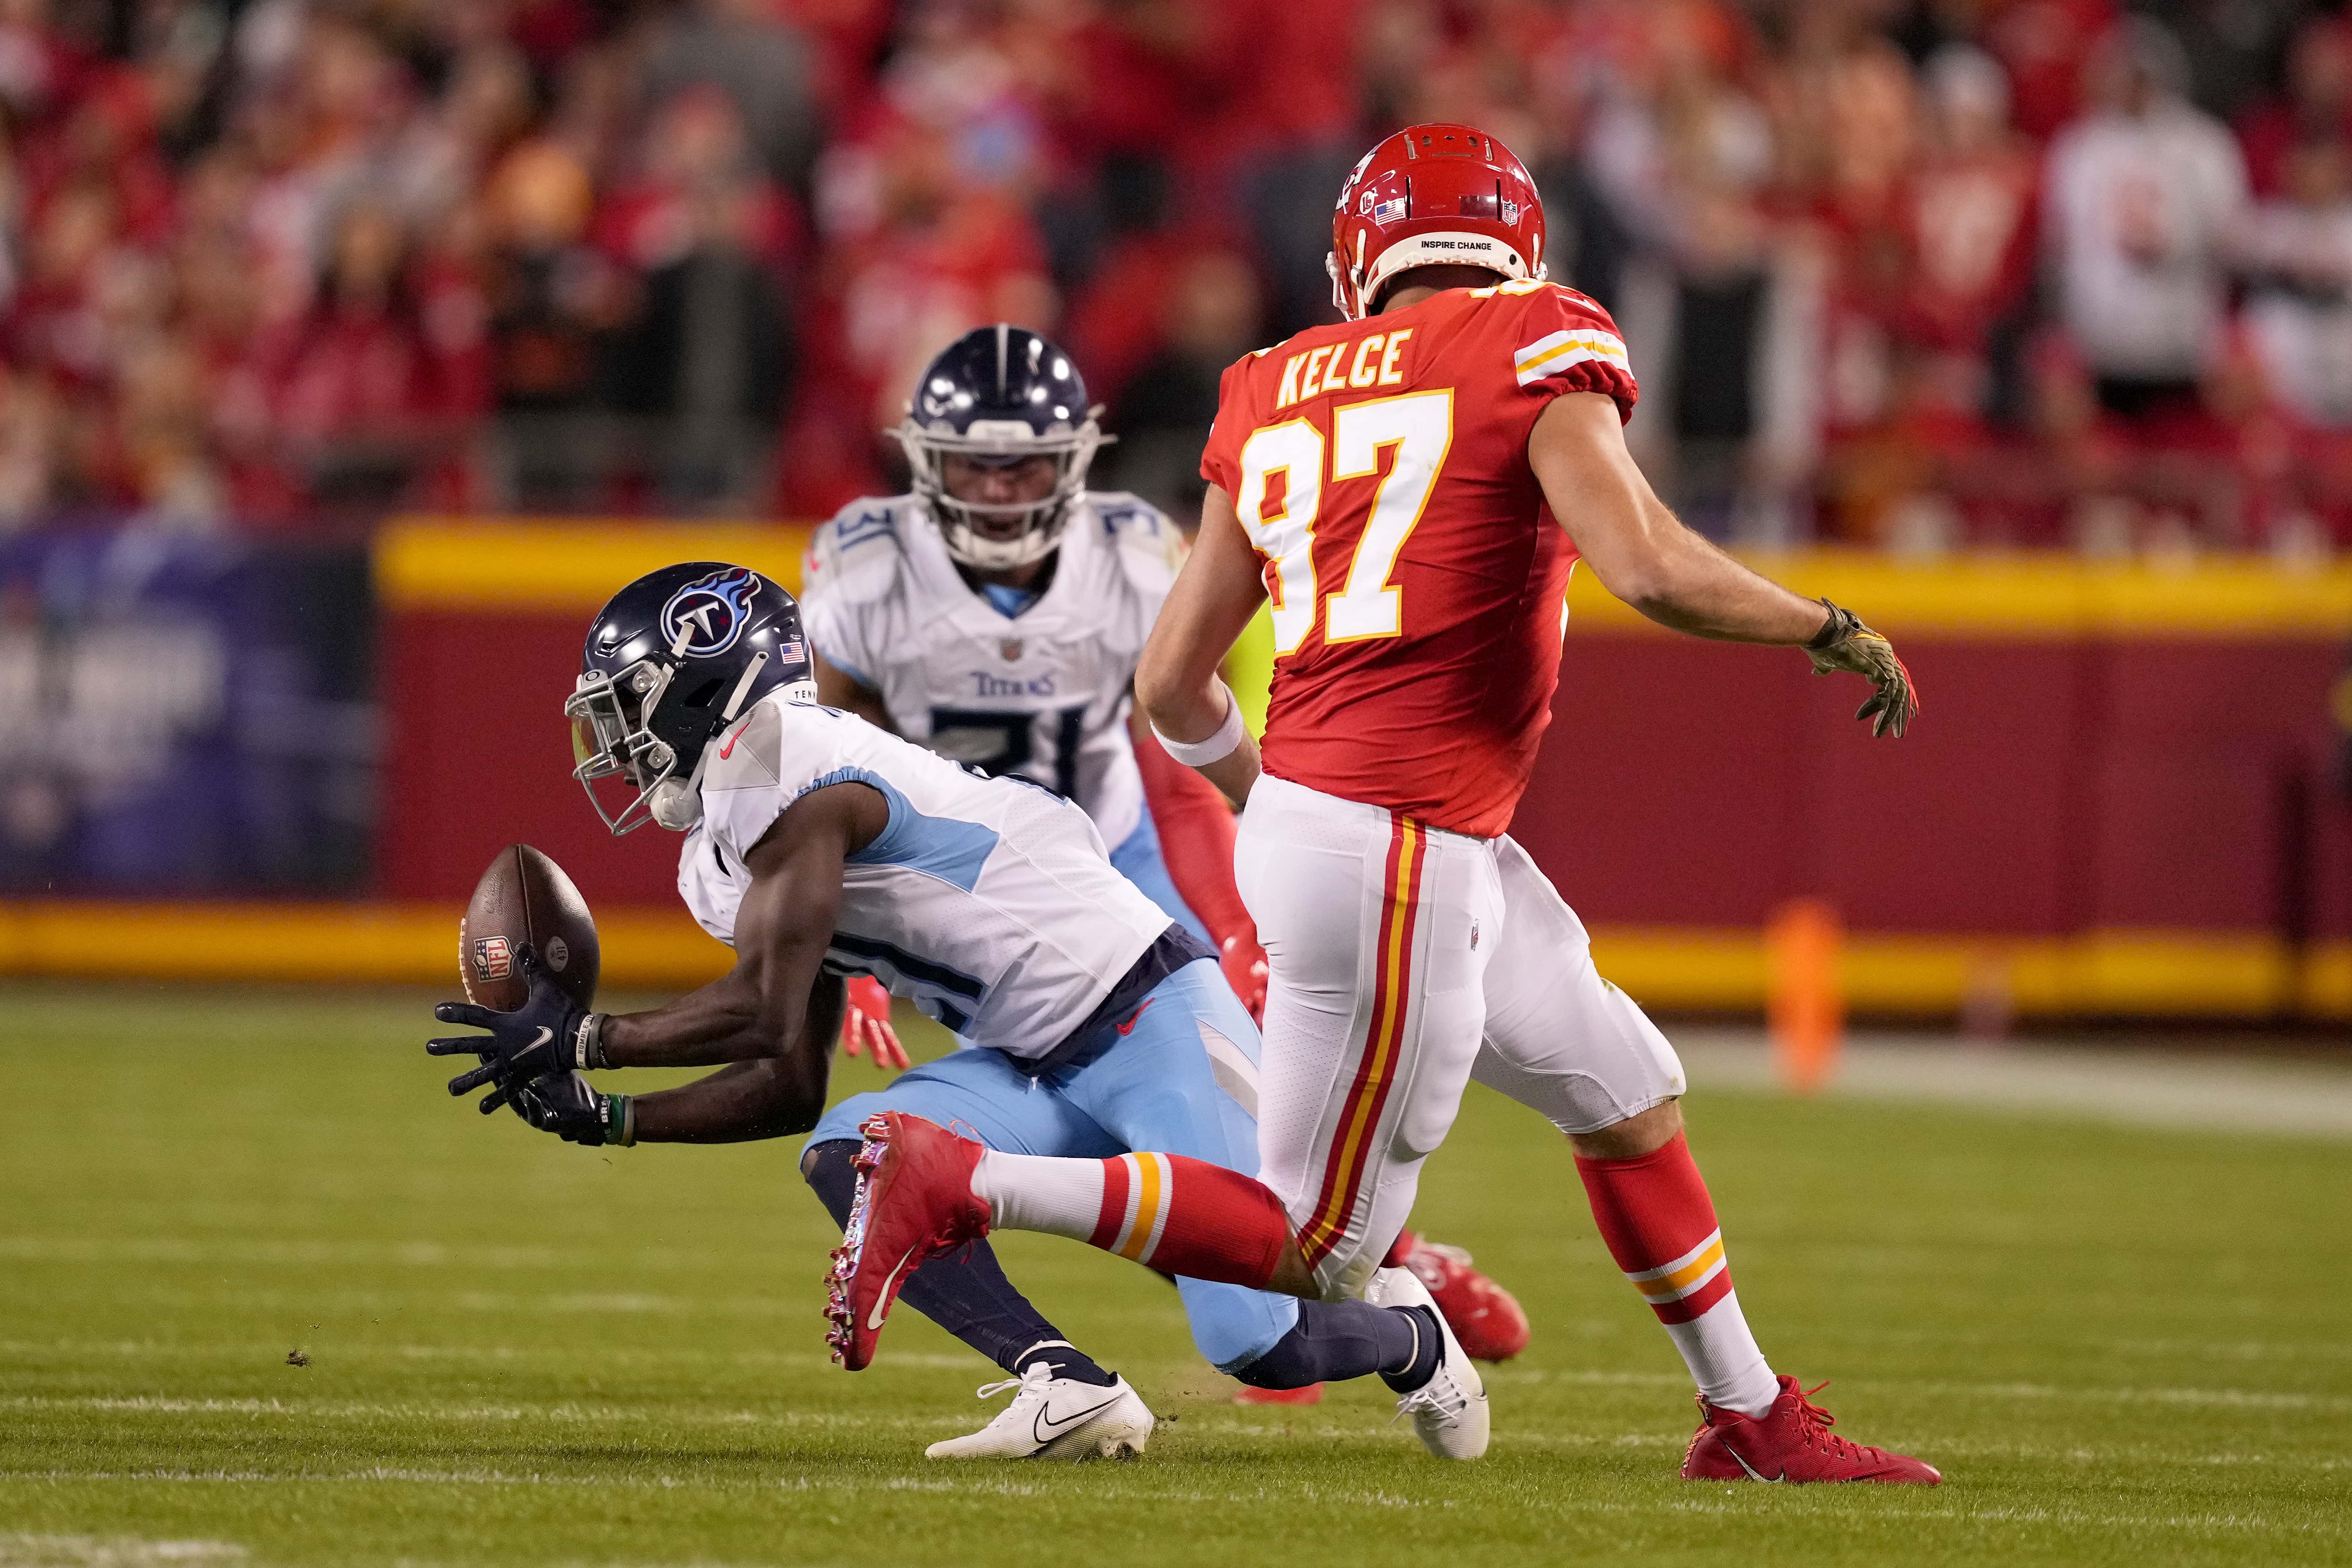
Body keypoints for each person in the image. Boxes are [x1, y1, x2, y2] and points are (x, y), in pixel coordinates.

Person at [830, 123, 1940, 1486]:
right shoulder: (1536, 336)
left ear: (1362, 257)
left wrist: (1277, 805)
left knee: (1626, 1091)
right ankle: (957, 1177)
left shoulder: (1271, 383)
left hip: (1391, 832)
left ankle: (1748, 1415)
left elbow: (1169, 685)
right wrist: (1825, 623)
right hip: (1399, 842)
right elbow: (1645, 564)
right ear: (1514, 245)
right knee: (1319, 1249)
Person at [425, 562, 1488, 1463]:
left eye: (629, 703)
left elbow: (759, 1010)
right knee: (857, 1154)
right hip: (1026, 1057)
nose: (612, 739)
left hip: (1151, 1014)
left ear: (708, 684)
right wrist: (609, 1116)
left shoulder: (785, 763)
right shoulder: (723, 853)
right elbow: (789, 1085)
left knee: (1260, 1345)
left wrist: (585, 1040)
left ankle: (1409, 1335)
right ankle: (1064, 1381)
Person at [797, 325, 1527, 1402]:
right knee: (1108, 1120)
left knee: (1243, 1083)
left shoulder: (1133, 556)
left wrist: (1234, 920)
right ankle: (1311, 1293)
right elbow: (830, 770)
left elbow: (1175, 764)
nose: (998, 490)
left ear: (1074, 461)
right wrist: (851, 954)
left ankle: (1383, 1261)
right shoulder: (866, 571)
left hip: (1116, 856)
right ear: (924, 461)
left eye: (1024, 466)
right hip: (971, 895)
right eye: (973, 464)